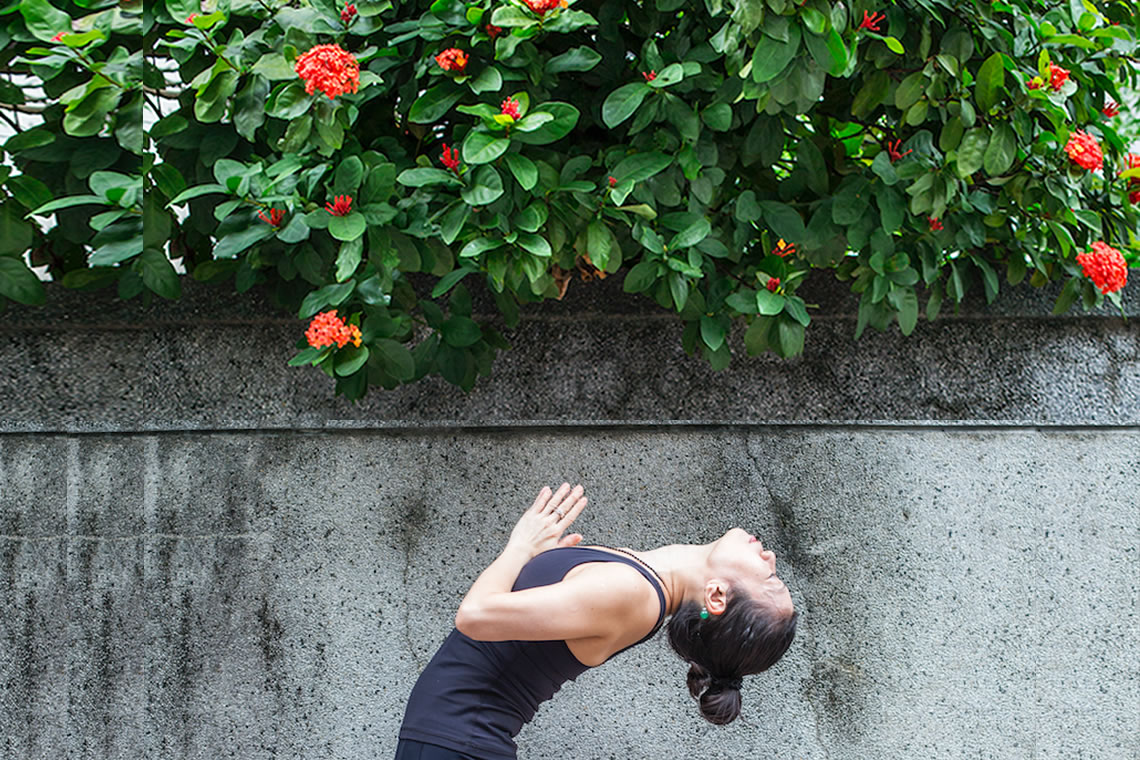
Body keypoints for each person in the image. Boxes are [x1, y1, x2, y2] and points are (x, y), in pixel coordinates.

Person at [395, 483, 798, 760]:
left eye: (770, 579)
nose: (771, 559)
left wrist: (520, 547)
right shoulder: (641, 583)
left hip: (455, 743)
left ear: (716, 595)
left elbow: (475, 617)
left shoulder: (633, 594)